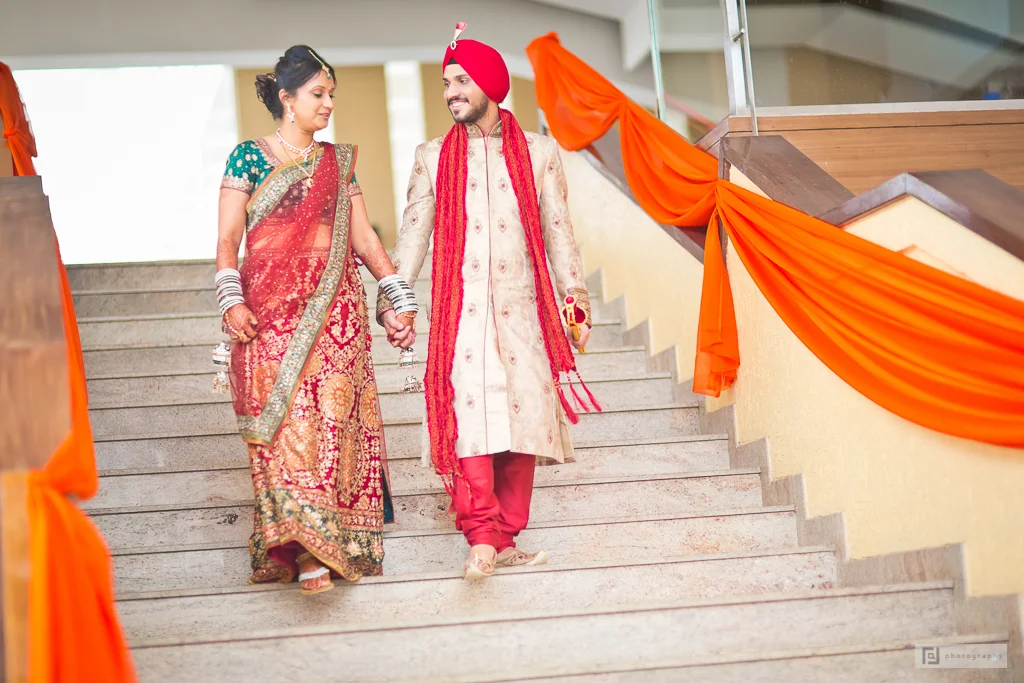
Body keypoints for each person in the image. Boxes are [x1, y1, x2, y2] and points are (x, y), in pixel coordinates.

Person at [378, 25, 598, 580]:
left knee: (521, 424)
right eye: (445, 83)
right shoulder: (432, 157)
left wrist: (574, 297)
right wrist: (395, 298)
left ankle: (505, 538)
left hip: (524, 314)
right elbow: (413, 237)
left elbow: (558, 232)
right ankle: (480, 536)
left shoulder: (540, 153)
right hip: (461, 317)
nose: (450, 92)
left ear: (491, 85)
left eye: (460, 81)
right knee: (469, 420)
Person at [216, 45, 417, 595]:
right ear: (287, 98)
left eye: (331, 95)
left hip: (334, 312)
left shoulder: (337, 162)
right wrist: (230, 298)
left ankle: (323, 545)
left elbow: (364, 236)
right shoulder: (248, 157)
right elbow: (229, 236)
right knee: (289, 426)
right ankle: (300, 544)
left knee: (330, 424)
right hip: (269, 312)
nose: (328, 104)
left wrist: (396, 293)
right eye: (317, 94)